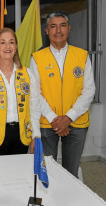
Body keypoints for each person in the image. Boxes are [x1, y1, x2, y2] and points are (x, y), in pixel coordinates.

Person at [30, 11, 95, 178]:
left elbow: (89, 91)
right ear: (47, 31)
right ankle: (51, 202)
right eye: (53, 26)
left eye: (62, 25)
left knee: (71, 171)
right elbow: (35, 94)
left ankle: (69, 202)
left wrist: (68, 118)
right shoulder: (37, 58)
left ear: (69, 28)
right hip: (47, 123)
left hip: (77, 122)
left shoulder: (82, 56)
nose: (58, 30)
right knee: (47, 170)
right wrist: (54, 119)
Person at [0, 28, 41, 156]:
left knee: (20, 174)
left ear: (16, 47)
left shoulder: (27, 74)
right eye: (3, 42)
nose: (7, 46)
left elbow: (34, 108)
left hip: (22, 137)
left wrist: (36, 136)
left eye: (11, 42)